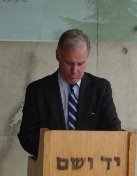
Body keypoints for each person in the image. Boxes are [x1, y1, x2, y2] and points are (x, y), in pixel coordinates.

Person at [17, 29, 121, 157]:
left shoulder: (100, 88)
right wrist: (57, 151)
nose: (74, 71)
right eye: (69, 63)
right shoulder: (37, 91)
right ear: (58, 55)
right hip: (52, 166)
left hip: (91, 166)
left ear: (87, 58)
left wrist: (86, 152)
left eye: (81, 64)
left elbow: (112, 129)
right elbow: (27, 135)